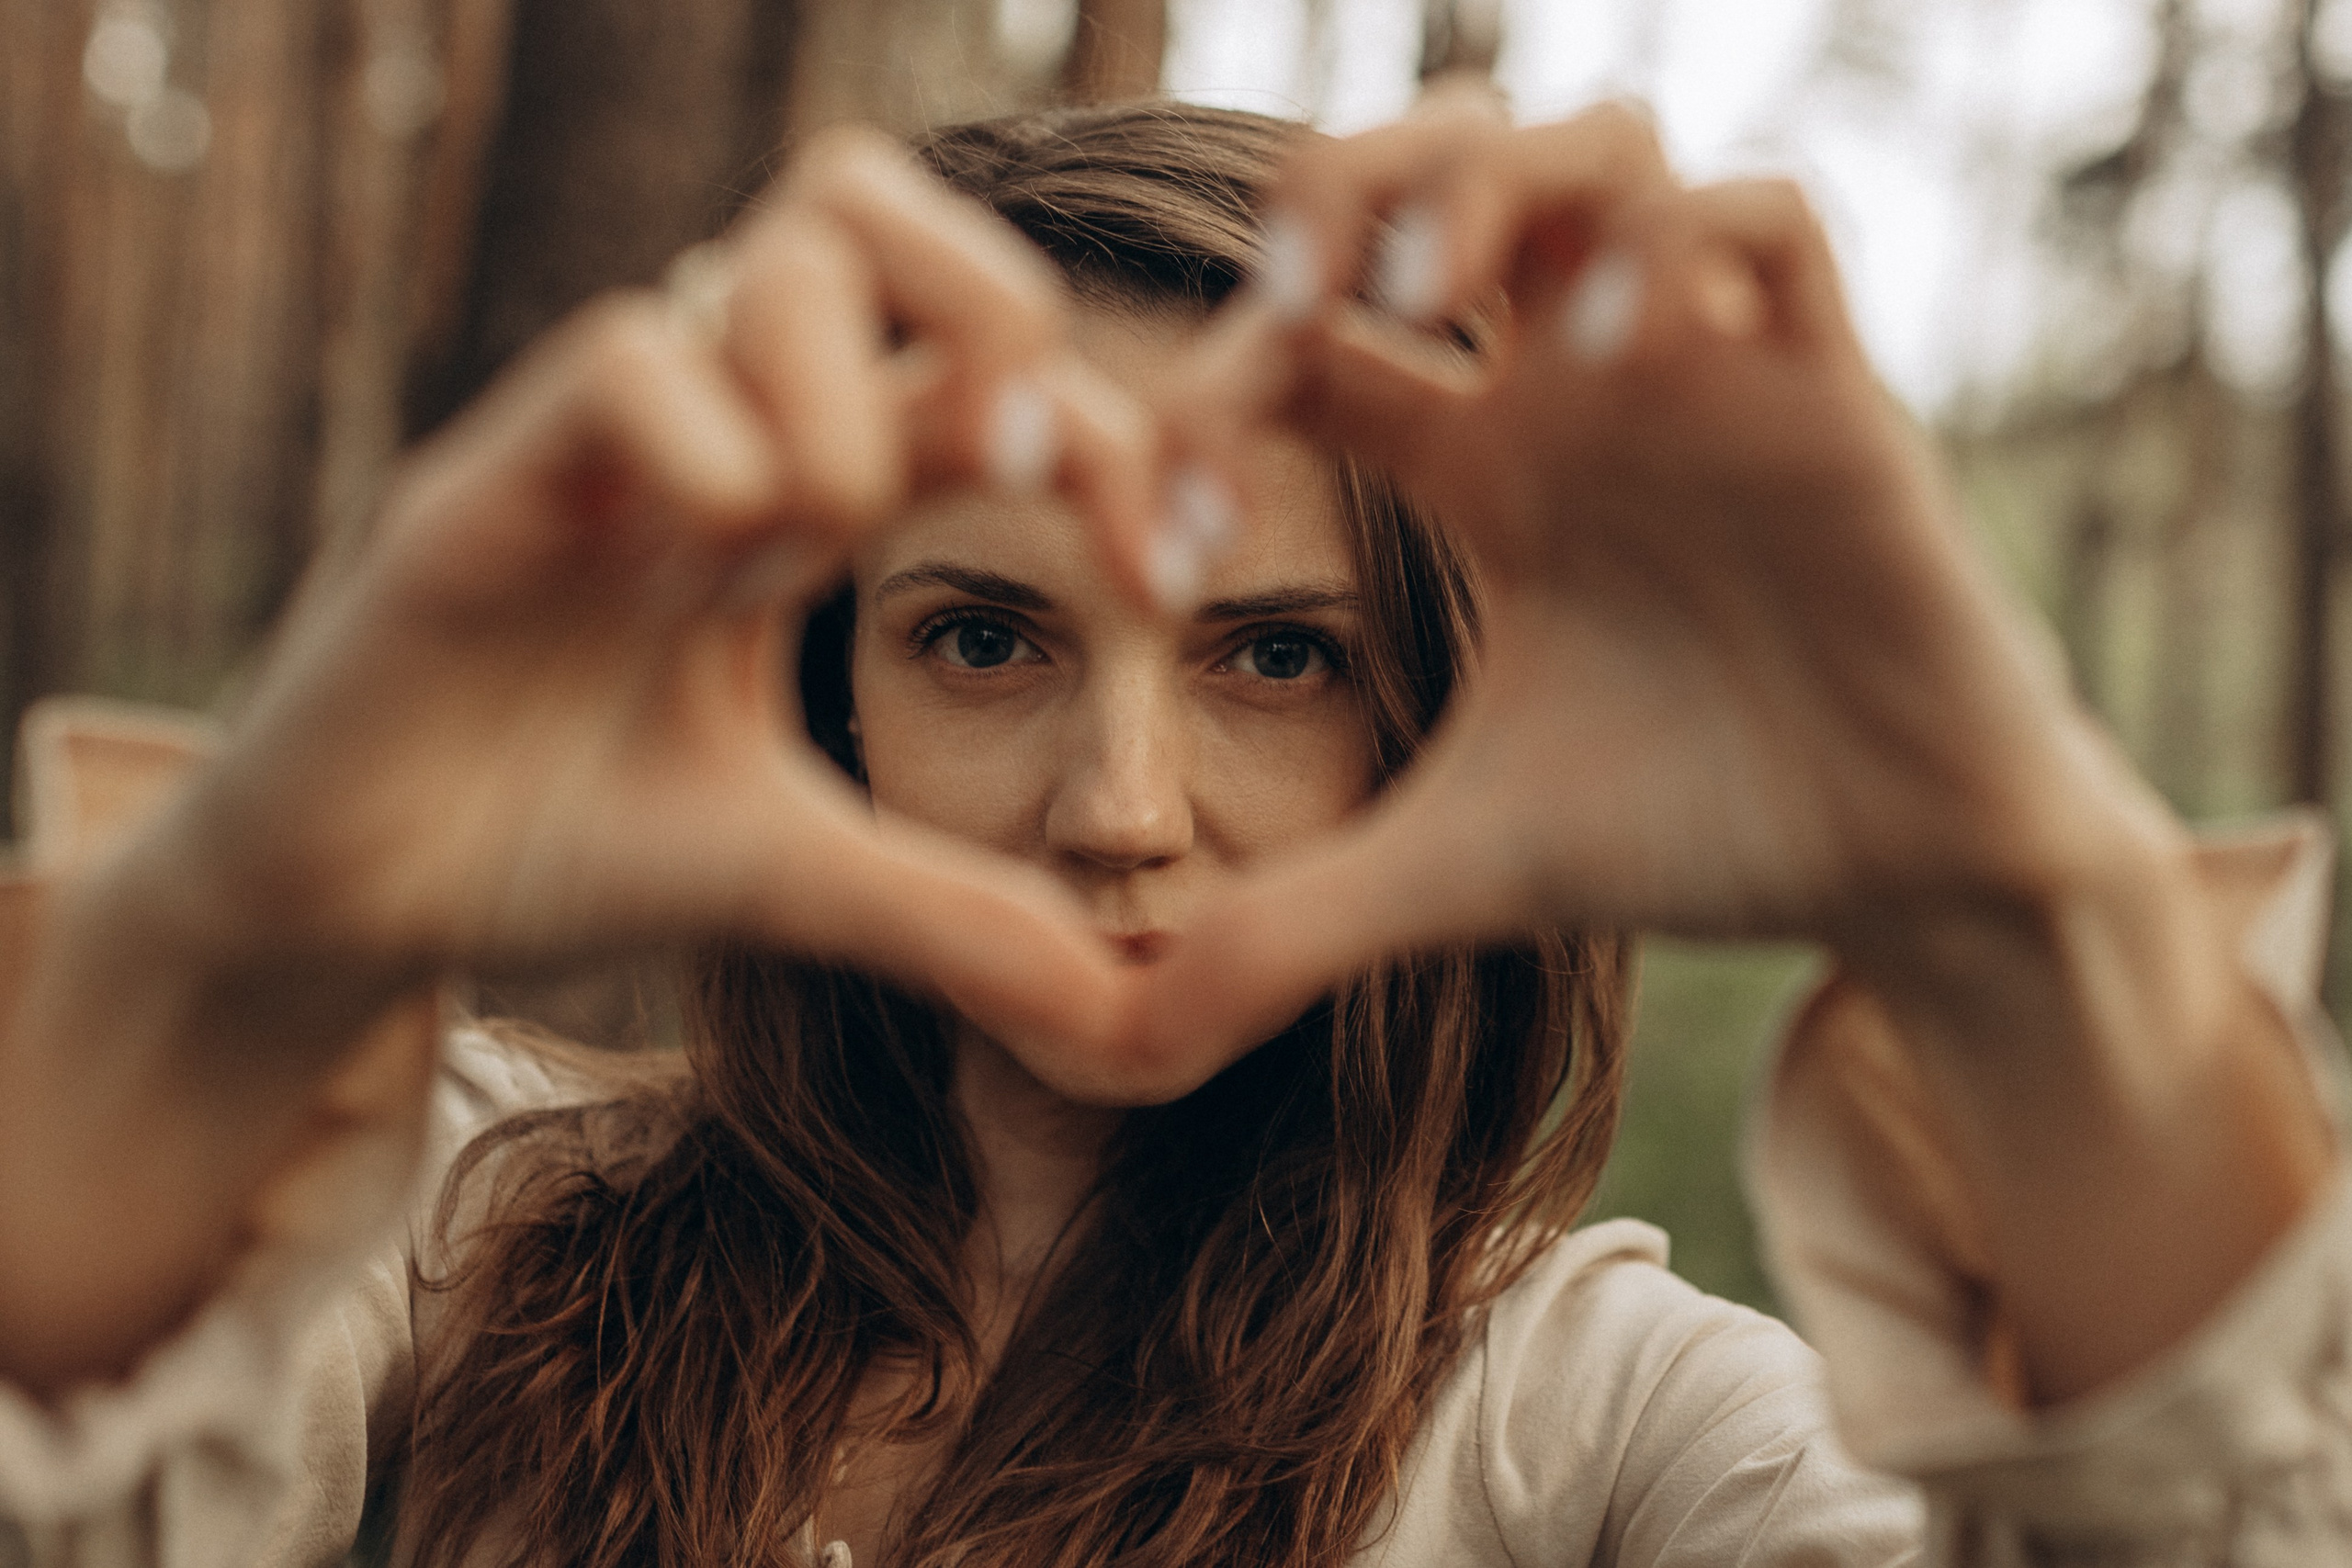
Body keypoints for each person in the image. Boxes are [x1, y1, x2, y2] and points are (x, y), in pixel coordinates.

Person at [0, 95, 2345, 1568]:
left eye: (1275, 656)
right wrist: (237, 931)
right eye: (985, 642)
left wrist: (2005, 899)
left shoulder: (1602, 1423)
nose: (1120, 815)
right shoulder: (464, 1227)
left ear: (1437, 714)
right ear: (824, 685)